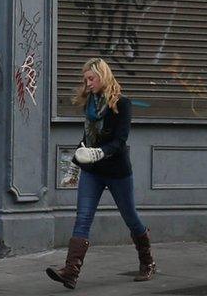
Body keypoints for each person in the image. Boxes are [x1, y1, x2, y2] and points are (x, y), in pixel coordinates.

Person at [45, 57, 154, 287]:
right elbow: (88, 137)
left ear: (103, 76)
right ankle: (70, 272)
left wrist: (98, 153)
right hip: (92, 172)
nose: (88, 84)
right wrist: (79, 154)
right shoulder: (91, 103)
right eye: (85, 80)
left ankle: (147, 262)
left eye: (91, 78)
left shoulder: (122, 104)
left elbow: (120, 141)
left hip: (117, 172)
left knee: (130, 218)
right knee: (83, 218)